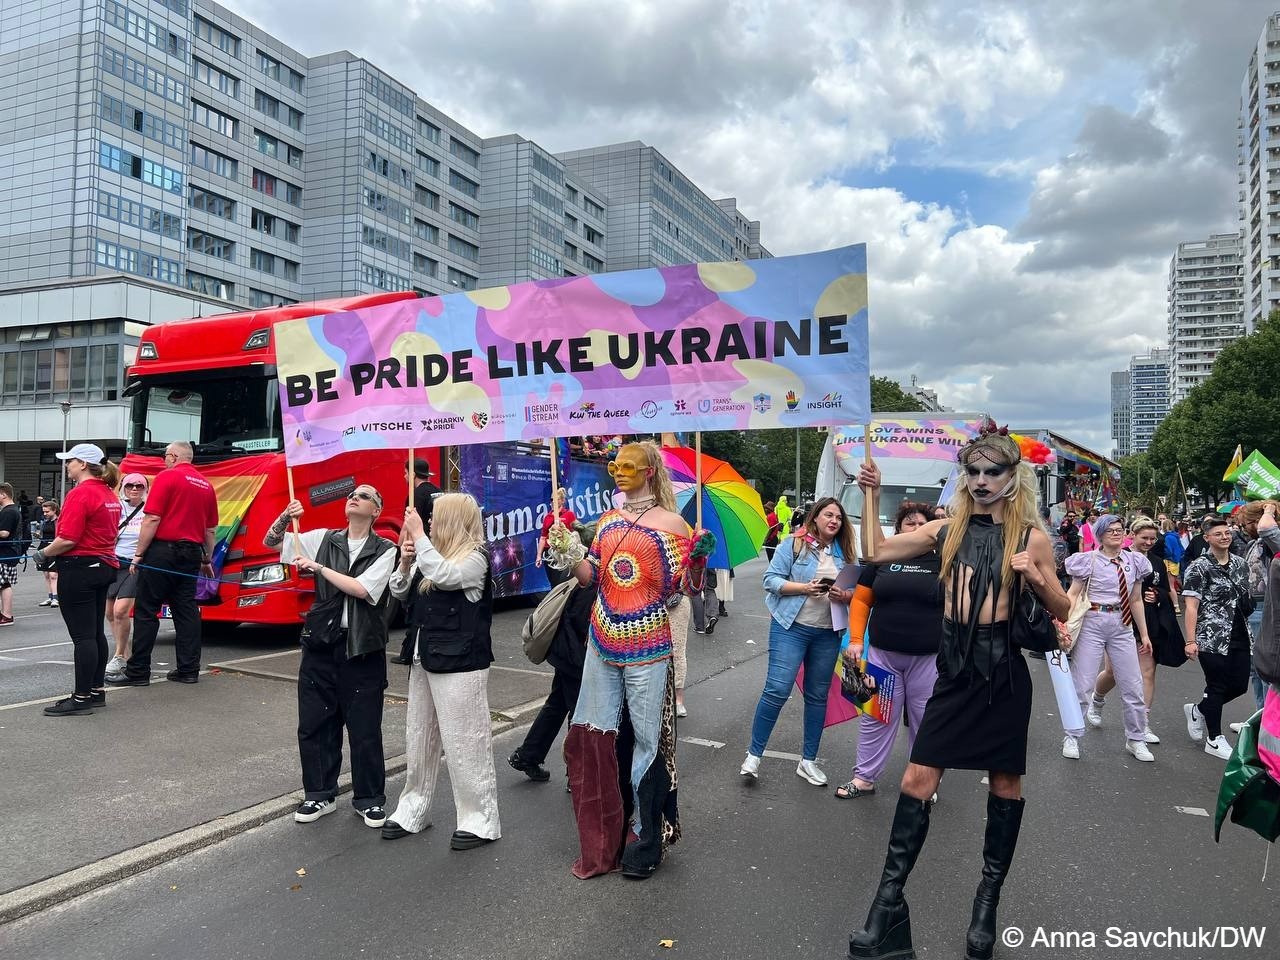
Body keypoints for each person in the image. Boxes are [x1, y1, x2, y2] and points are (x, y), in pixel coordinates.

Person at [846, 422, 1069, 960]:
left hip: (1005, 677)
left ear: (1012, 477)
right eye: (973, 471)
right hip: (955, 674)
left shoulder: (1030, 537)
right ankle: (887, 908)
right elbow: (875, 550)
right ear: (963, 478)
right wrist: (872, 490)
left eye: (993, 471)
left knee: (1005, 783)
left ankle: (986, 905)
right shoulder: (946, 529)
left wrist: (1034, 578)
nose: (982, 479)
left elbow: (1063, 609)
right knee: (918, 777)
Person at [565, 440, 693, 880]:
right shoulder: (606, 521)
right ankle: (605, 836)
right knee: (595, 737)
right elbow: (591, 578)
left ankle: (645, 835)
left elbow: (678, 591)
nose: (618, 471)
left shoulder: (673, 524)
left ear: (649, 472)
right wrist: (567, 550)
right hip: (601, 643)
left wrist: (694, 566)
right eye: (615, 466)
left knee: (647, 741)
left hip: (648, 648)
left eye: (628, 466)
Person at [266, 484, 397, 826]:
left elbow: (363, 589)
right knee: (315, 723)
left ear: (376, 511)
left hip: (362, 648)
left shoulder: (386, 549)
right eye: (352, 494)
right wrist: (285, 517)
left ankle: (369, 798)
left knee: (364, 728)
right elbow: (272, 543)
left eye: (366, 495)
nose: (355, 497)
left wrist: (319, 568)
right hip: (321, 643)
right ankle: (319, 794)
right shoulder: (324, 538)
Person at [382, 493, 501, 848]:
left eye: (435, 517)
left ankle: (480, 820)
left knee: (466, 742)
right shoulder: (428, 556)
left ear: (453, 519)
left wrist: (418, 537)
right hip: (424, 657)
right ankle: (412, 810)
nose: (429, 521)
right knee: (419, 739)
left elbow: (447, 577)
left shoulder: (475, 558)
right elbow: (399, 592)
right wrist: (404, 565)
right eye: (427, 517)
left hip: (461, 662)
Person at [743, 497, 855, 786]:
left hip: (828, 633)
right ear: (815, 518)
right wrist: (805, 588)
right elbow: (771, 580)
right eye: (828, 515)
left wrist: (843, 595)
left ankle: (808, 762)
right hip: (790, 627)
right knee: (777, 690)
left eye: (839, 518)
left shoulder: (846, 553)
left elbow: (857, 592)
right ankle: (753, 756)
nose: (834, 521)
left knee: (817, 697)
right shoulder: (794, 544)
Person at [835, 496, 941, 800]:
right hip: (883, 656)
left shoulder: (945, 560)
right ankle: (864, 778)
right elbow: (862, 600)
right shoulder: (882, 560)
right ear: (898, 527)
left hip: (930, 659)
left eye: (924, 524)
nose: (917, 527)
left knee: (925, 722)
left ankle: (924, 782)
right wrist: (856, 641)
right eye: (911, 522)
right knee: (875, 719)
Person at [108, 442, 218, 687]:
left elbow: (152, 518)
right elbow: (210, 530)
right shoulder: (206, 485)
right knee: (186, 610)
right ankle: (188, 669)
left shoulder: (167, 477)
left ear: (173, 456)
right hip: (191, 553)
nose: (164, 461)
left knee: (147, 610)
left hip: (162, 551)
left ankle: (138, 672)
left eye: (166, 457)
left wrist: (138, 554)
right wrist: (206, 559)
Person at [32, 445, 122, 716]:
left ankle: (81, 697)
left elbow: (68, 538)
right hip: (103, 565)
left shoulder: (80, 493)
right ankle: (95, 691)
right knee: (94, 632)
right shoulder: (108, 493)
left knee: (83, 637)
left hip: (80, 568)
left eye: (69, 461)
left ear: (83, 464)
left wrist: (42, 553)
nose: (67, 465)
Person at [1059, 515, 1155, 762]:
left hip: (1122, 623)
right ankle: (1072, 735)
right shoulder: (1088, 561)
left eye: (1120, 529)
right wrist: (1063, 624)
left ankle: (1136, 738)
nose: (1116, 533)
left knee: (1133, 684)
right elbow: (1073, 593)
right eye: (1110, 530)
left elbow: (1135, 599)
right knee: (1083, 683)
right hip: (1093, 619)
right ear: (1099, 535)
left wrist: (1143, 634)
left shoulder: (1135, 562)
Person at [1089, 517, 1181, 742]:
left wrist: (1157, 594)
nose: (1149, 542)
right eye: (1144, 538)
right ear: (1133, 536)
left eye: (1153, 538)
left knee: (1147, 671)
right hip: (1120, 619)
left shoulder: (1158, 562)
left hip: (1149, 621)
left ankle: (1143, 723)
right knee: (1113, 673)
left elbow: (1163, 588)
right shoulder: (1119, 557)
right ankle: (1097, 699)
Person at [509, 578, 598, 783]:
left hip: (566, 652)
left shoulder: (585, 575)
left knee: (557, 704)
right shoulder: (591, 580)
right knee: (579, 713)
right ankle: (576, 773)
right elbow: (581, 622)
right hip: (574, 656)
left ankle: (527, 756)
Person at [1182, 515, 1254, 760]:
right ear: (1207, 538)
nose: (1224, 537)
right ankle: (1214, 738)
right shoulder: (1199, 566)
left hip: (1240, 631)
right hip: (1211, 634)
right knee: (1216, 685)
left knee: (1239, 684)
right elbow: (1191, 605)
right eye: (1218, 534)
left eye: (1227, 533)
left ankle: (1199, 710)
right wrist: (1190, 641)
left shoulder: (1240, 563)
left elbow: (1245, 594)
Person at [392, 459, 443, 665]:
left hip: (420, 554)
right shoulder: (438, 492)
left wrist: (401, 550)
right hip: (438, 551)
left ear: (412, 474)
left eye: (405, 473)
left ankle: (408, 650)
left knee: (413, 602)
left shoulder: (414, 497)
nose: (404, 477)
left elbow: (408, 526)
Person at [104, 474, 148, 679]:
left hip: (134, 566)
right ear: (123, 487)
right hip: (112, 563)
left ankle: (119, 655)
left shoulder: (150, 510)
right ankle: (125, 654)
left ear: (145, 488)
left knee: (121, 611)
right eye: (130, 485)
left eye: (139, 485)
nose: (135, 489)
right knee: (109, 613)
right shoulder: (116, 507)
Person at [1238, 500, 1280, 712]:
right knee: (1255, 668)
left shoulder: (1271, 543)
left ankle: (1268, 716)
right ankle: (1258, 713)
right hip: (1251, 607)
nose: (1243, 529)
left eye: (1245, 524)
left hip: (1266, 608)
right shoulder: (1252, 544)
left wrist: (1269, 509)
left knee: (1267, 667)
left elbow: (1267, 530)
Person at [534, 487, 578, 587]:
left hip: (564, 552)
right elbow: (543, 537)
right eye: (552, 499)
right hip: (549, 552)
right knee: (553, 581)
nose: (553, 501)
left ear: (562, 500)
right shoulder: (547, 517)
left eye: (556, 499)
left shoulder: (569, 514)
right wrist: (539, 556)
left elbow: (575, 533)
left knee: (563, 580)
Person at [0, 482, 23, 626]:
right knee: (3, 583)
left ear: (3, 494)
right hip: (10, 552)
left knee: (4, 584)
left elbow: (4, 533)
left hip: (5, 552)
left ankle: (7, 614)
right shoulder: (14, 509)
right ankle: (5, 613)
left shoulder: (8, 511)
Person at [36, 500, 60, 607]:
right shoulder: (44, 522)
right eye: (44, 512)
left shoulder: (59, 521)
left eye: (47, 512)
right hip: (43, 547)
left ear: (54, 511)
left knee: (53, 574)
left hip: (54, 547)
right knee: (46, 574)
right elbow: (41, 534)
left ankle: (56, 598)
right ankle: (50, 597)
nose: (45, 514)